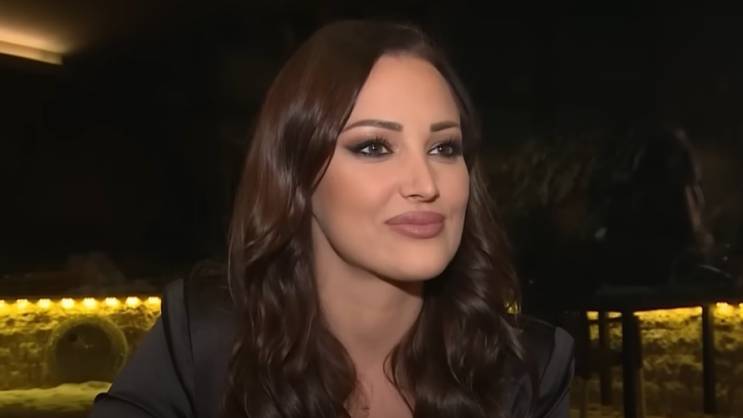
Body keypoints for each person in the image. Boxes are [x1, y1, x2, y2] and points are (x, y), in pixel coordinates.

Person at [89, 20, 574, 418]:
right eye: (374, 147)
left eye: (444, 148)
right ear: (297, 175)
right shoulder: (206, 342)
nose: (425, 183)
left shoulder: (529, 369)